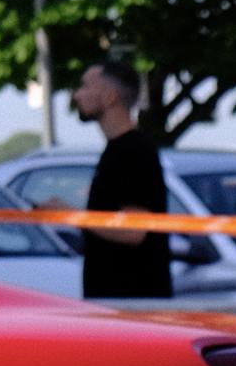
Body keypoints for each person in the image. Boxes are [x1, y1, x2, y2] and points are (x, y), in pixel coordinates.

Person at [72, 56, 171, 302]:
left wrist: (71, 216)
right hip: (115, 300)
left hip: (133, 302)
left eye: (86, 86)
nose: (77, 95)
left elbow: (135, 230)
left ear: (110, 97)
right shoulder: (117, 150)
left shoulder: (135, 152)